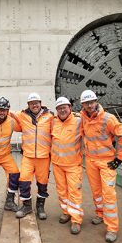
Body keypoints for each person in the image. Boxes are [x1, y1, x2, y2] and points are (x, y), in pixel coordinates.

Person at [80, 90, 122, 243]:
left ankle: (112, 228)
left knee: (108, 194)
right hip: (90, 161)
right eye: (86, 103)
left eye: (92, 102)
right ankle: (100, 214)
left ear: (96, 101)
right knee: (96, 192)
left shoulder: (109, 118)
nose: (90, 105)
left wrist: (120, 158)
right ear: (82, 105)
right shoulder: (82, 117)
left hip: (107, 162)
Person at [13, 92, 53, 220]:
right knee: (24, 180)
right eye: (31, 103)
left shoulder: (50, 116)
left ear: (41, 103)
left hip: (44, 157)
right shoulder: (22, 115)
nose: (34, 105)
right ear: (28, 105)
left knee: (42, 183)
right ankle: (27, 206)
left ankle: (40, 207)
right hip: (28, 156)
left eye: (36, 103)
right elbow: (7, 112)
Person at [51, 97, 83, 235]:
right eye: (59, 108)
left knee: (74, 192)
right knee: (62, 191)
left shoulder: (79, 120)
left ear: (70, 108)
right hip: (57, 164)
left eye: (65, 107)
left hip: (73, 164)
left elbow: (94, 121)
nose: (62, 110)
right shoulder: (53, 122)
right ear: (56, 110)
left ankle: (76, 220)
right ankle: (66, 212)